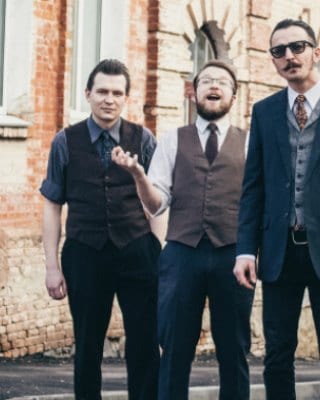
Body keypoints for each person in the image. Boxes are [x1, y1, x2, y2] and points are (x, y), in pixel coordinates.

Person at [233, 18, 320, 400]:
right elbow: (253, 188)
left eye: (297, 47)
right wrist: (245, 249)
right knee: (277, 355)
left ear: (316, 51)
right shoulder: (264, 111)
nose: (289, 56)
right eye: (279, 51)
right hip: (279, 250)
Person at [111, 60, 254, 400]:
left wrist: (254, 250)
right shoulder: (173, 139)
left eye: (222, 82)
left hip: (233, 254)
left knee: (233, 349)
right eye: (206, 81)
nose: (214, 86)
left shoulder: (250, 142)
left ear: (234, 96)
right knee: (175, 348)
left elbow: (257, 202)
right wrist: (139, 176)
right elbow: (156, 204)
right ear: (194, 91)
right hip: (181, 254)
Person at [41, 59, 160, 400]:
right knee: (87, 344)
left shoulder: (144, 139)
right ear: (88, 94)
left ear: (126, 98)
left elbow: (159, 201)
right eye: (102, 91)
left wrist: (158, 249)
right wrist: (52, 267)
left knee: (145, 341)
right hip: (84, 252)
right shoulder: (65, 142)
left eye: (117, 93)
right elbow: (52, 204)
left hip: (137, 249)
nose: (109, 99)